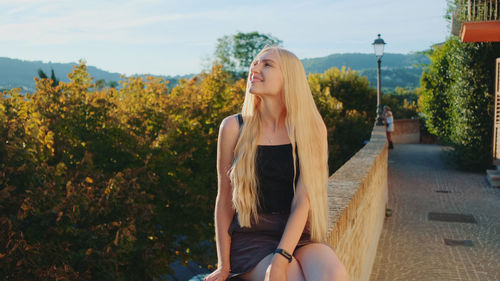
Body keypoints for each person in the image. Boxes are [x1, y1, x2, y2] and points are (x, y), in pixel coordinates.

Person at [204, 46, 348, 281]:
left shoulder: (311, 129)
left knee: (333, 274)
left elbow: (303, 201)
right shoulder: (233, 127)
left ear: (289, 78)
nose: (255, 69)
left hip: (299, 234)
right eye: (255, 64)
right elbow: (224, 201)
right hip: (253, 238)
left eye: (267, 65)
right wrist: (223, 265)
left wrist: (281, 258)